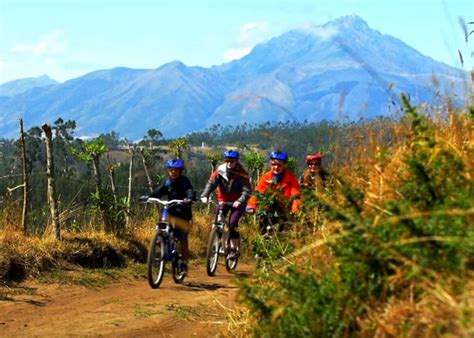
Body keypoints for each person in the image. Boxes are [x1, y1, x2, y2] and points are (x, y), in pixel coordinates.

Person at [201, 150, 252, 259]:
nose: (229, 163)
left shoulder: (242, 173)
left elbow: (247, 191)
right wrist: (205, 195)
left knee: (233, 223)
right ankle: (217, 242)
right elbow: (211, 183)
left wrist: (240, 201)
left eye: (232, 161)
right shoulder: (220, 171)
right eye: (227, 160)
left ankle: (233, 249)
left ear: (236, 161)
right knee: (217, 223)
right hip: (223, 201)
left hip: (237, 203)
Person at [149, 158, 196, 273]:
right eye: (171, 170)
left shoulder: (185, 181)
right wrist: (150, 196)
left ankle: (184, 262)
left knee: (182, 236)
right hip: (170, 209)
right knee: (162, 222)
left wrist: (189, 198)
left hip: (183, 212)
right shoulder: (168, 182)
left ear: (180, 171)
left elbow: (190, 191)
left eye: (175, 170)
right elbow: (160, 191)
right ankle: (161, 240)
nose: (173, 172)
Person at [246, 150, 302, 234]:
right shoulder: (266, 177)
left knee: (285, 231)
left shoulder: (291, 178)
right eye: (273, 164)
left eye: (279, 165)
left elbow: (296, 196)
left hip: (285, 208)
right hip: (269, 208)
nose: (276, 167)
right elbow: (258, 193)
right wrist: (251, 206)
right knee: (263, 226)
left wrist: (295, 210)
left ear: (284, 165)